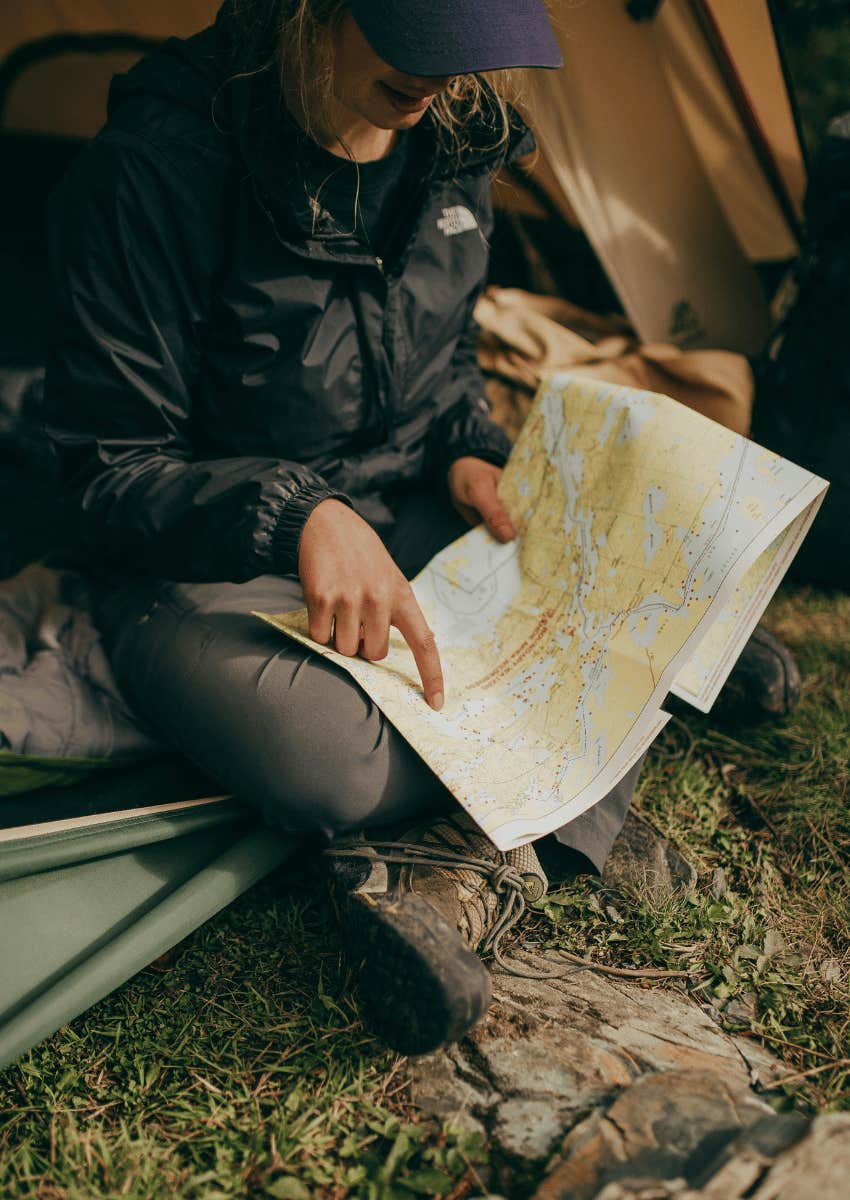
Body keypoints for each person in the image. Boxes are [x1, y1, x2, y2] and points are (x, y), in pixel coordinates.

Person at [43, 0, 799, 1055]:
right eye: (422, 46)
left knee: (650, 555)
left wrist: (466, 452)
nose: (445, 83)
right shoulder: (159, 166)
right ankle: (602, 748)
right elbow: (105, 467)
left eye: (469, 54)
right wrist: (296, 512)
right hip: (209, 558)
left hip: (403, 514)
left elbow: (439, 366)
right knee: (330, 764)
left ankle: (447, 868)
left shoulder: (455, 139)